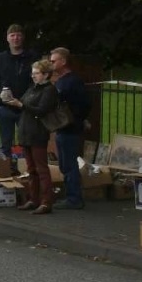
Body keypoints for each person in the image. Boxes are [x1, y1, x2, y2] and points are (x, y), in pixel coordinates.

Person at [11, 60, 60, 214]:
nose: (33, 76)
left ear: (46, 74)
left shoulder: (49, 90)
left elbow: (42, 110)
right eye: (32, 73)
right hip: (25, 131)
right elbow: (25, 104)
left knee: (41, 168)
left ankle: (46, 201)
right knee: (31, 168)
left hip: (37, 133)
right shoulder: (32, 88)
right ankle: (33, 199)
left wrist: (21, 105)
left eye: (36, 73)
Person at [0, 24, 36, 161]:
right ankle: (6, 171)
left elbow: (36, 81)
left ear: (23, 38)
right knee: (5, 144)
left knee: (27, 142)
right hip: (4, 108)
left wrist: (29, 102)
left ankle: (26, 170)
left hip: (24, 108)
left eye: (18, 35)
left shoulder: (31, 57)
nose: (16, 38)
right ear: (7, 38)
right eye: (12, 35)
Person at [49, 47, 91, 209]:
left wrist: (76, 119)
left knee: (69, 163)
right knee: (64, 163)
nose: (51, 63)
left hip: (70, 128)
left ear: (63, 61)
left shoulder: (73, 81)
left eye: (54, 61)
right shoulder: (60, 80)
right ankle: (71, 196)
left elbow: (85, 103)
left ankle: (74, 198)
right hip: (62, 128)